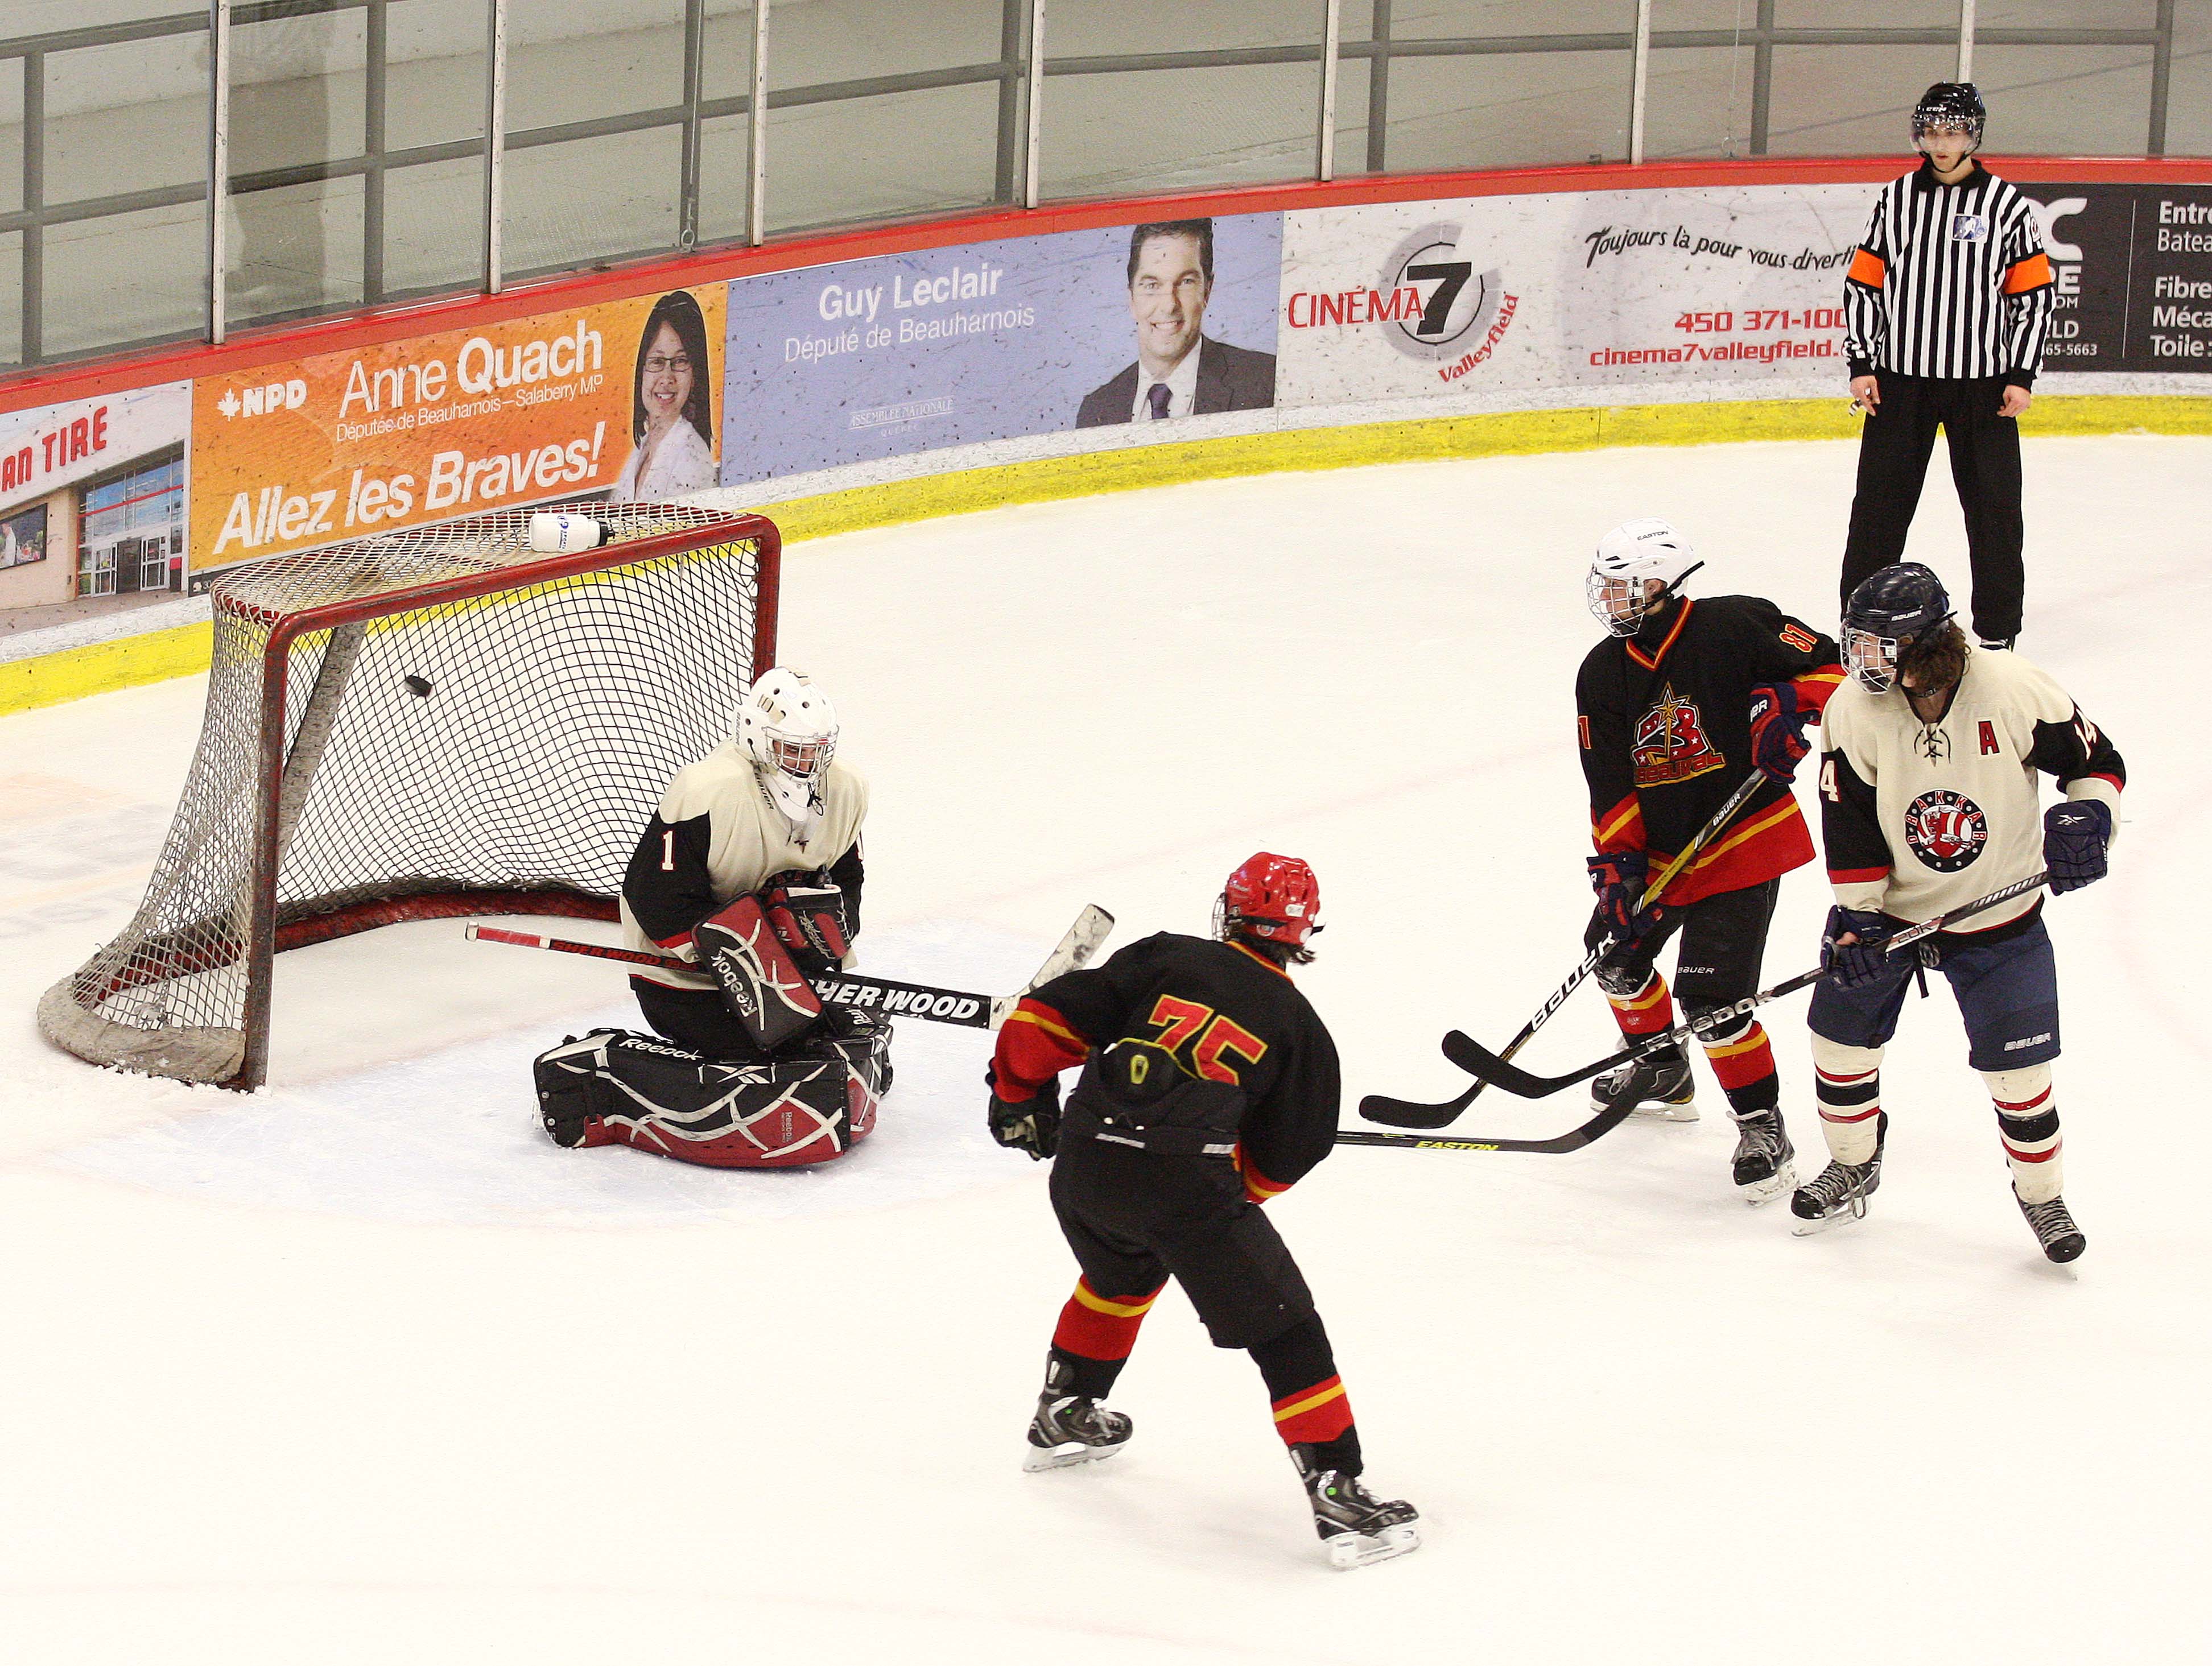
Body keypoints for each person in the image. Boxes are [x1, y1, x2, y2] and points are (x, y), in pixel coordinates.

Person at [985, 854, 1419, 1570]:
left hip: (1085, 1168)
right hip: (1185, 1189)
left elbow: (1042, 1019)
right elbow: (1288, 1157)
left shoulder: (1163, 957)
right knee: (1288, 1332)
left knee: (1120, 1273)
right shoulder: (1300, 1028)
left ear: (1230, 910)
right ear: (1303, 929)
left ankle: (1065, 1410)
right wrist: (1216, 1188)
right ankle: (1339, 1490)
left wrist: (1016, 1092)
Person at [1793, 564, 2122, 1263]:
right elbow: (1846, 821)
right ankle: (1854, 1161)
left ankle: (2044, 1199)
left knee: (2020, 1078)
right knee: (1838, 1042)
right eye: (1858, 643)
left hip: (2000, 915)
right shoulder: (1853, 708)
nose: (1861, 661)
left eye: (1880, 645)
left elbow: (2098, 761)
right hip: (1895, 916)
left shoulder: (2010, 687)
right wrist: (1857, 915)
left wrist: (2090, 815)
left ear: (1927, 644)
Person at [1575, 518, 1844, 1202]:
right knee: (1612, 953)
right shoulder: (1601, 673)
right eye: (1605, 587)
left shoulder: (1738, 624)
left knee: (1713, 997)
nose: (1610, 600)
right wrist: (1621, 869)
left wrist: (1783, 707)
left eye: (1624, 587)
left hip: (1741, 838)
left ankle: (1763, 1126)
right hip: (1664, 848)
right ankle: (1662, 1065)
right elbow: (1608, 779)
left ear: (1663, 584)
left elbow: (1837, 669)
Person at [531, 668, 886, 1168]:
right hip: (685, 976)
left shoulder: (847, 788)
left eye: (816, 750)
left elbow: (848, 881)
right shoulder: (708, 791)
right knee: (767, 1051)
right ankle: (607, 1067)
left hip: (786, 971)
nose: (807, 764)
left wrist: (814, 945)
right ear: (756, 737)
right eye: (792, 749)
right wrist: (741, 958)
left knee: (830, 1035)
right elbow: (654, 897)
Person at [1839, 82, 2056, 651]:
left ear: (1973, 135)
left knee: (1995, 515)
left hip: (1982, 388)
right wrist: (1863, 360)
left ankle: (1997, 631)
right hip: (1900, 384)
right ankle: (1859, 626)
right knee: (1878, 512)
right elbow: (1865, 283)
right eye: (1933, 130)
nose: (1942, 142)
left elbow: (2032, 296)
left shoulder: (2006, 205)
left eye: (1953, 130)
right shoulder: (1897, 199)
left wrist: (2021, 373)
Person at [1075, 220, 1277, 428]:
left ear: (1207, 291)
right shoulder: (1096, 410)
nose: (1169, 305)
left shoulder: (1267, 381)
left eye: (1185, 282)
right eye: (1152, 285)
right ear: (1132, 298)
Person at [609, 290, 718, 501]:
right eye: (657, 362)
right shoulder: (644, 444)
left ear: (695, 375)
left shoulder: (691, 460)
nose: (667, 378)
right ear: (641, 371)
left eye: (680, 361)